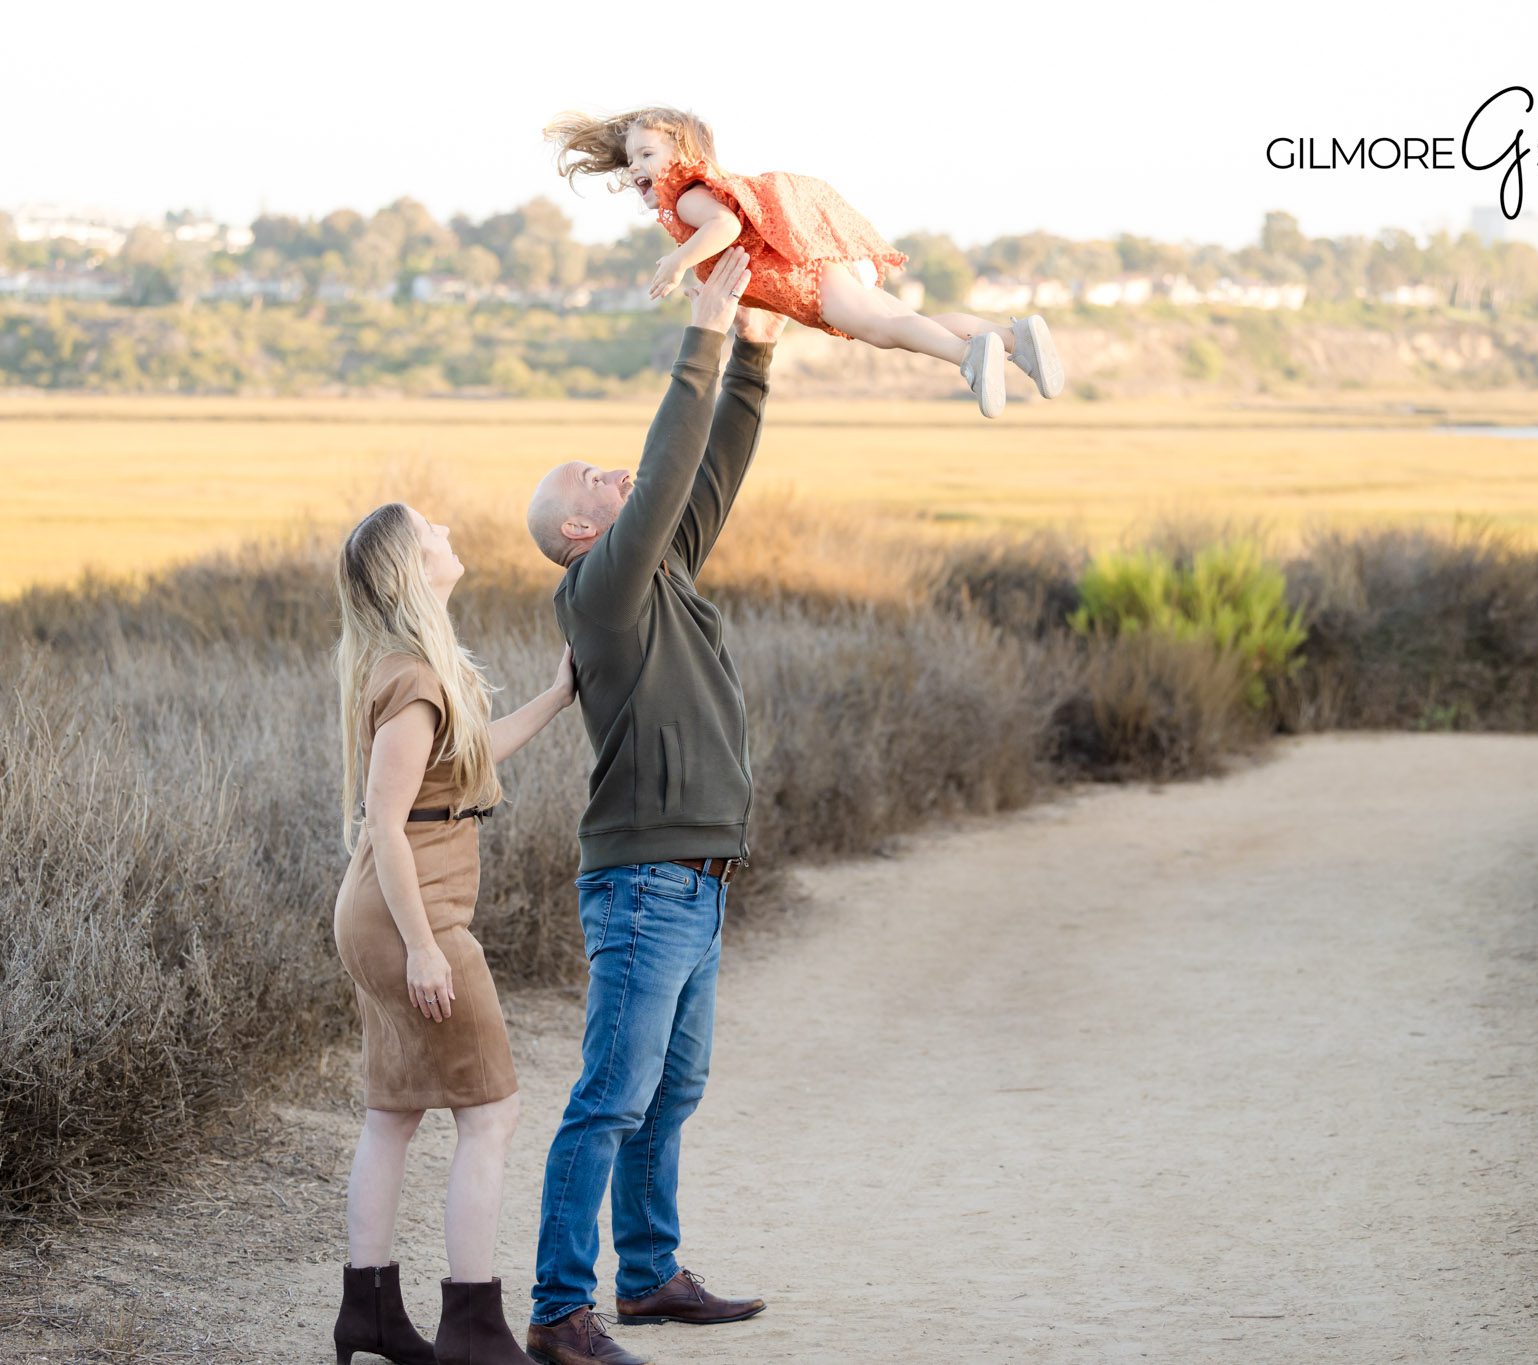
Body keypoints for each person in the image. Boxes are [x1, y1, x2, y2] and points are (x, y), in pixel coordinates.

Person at [518, 248, 776, 1365]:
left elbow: (703, 472)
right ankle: (556, 1311)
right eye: (589, 477)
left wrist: (756, 356)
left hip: (699, 879)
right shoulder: (601, 591)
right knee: (608, 1101)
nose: (609, 473)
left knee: (672, 1092)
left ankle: (650, 1276)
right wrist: (705, 334)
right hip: (642, 884)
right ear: (579, 535)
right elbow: (667, 467)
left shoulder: (657, 569)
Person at [330, 502, 578, 1365]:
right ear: (411, 564)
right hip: (411, 914)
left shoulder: (410, 668)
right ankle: (472, 1326)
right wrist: (428, 946)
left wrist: (556, 695)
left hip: (386, 911)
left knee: (393, 1114)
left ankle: (369, 1312)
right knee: (493, 1111)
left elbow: (468, 760)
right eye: (429, 526)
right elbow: (386, 824)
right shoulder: (415, 681)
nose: (444, 529)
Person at [545, 104, 1065, 419]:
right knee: (904, 324)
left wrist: (679, 261)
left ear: (683, 155)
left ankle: (969, 357)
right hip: (812, 272)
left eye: (647, 155)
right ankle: (1015, 339)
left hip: (806, 279)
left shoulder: (687, 198)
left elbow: (724, 227)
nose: (636, 166)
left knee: (886, 332)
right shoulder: (695, 196)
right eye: (632, 157)